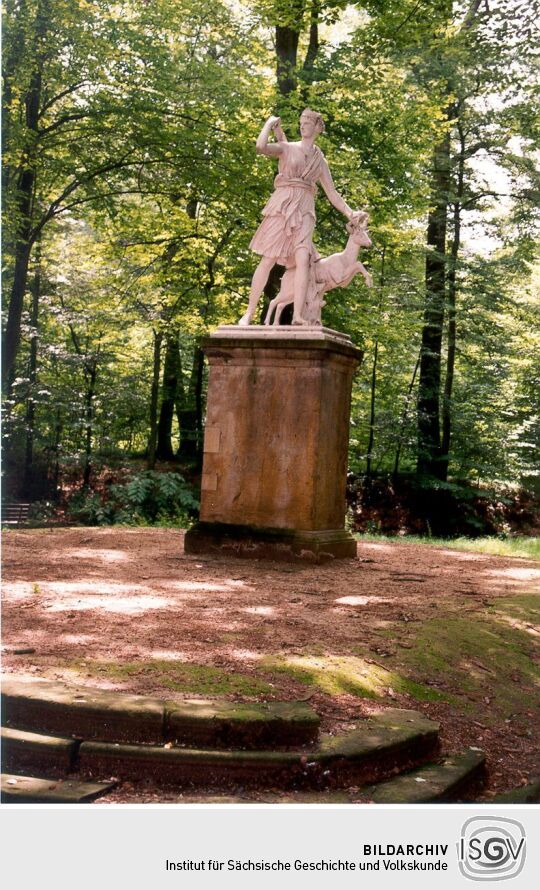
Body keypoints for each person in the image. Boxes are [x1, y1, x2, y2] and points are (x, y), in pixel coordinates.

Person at [239, 109, 364, 326]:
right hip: (283, 204)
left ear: (318, 127)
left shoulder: (319, 159)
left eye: (307, 122)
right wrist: (269, 124)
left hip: (306, 207)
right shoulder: (287, 148)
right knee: (268, 258)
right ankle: (249, 312)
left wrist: (350, 212)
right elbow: (260, 147)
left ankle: (298, 316)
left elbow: (332, 193)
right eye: (301, 122)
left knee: (303, 259)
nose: (303, 125)